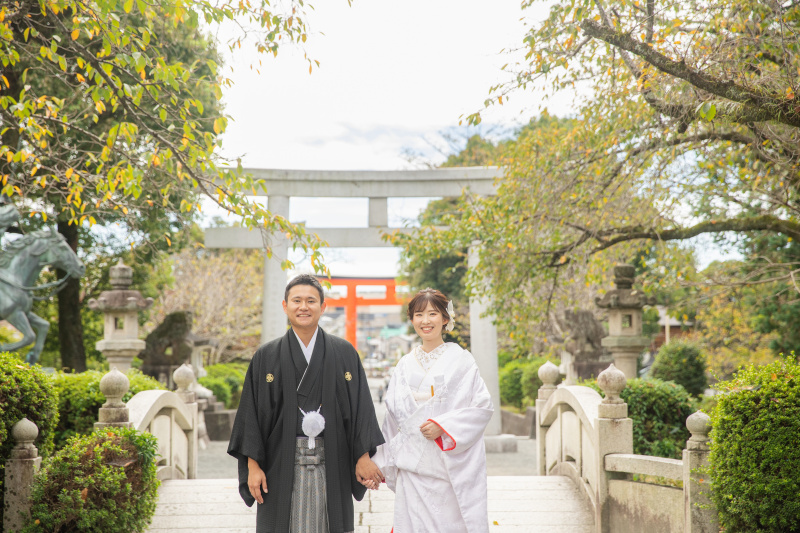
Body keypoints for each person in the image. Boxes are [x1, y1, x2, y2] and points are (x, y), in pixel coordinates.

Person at [228, 274, 385, 533]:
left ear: (323, 307)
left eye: (311, 301)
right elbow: (251, 415)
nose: (304, 307)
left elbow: (361, 409)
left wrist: (363, 455)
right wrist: (252, 466)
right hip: (280, 462)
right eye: (297, 300)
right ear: (285, 305)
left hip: (332, 459)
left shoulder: (344, 353)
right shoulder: (266, 356)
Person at [373, 288, 494, 533]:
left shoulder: (462, 360)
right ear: (412, 319)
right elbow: (392, 418)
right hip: (411, 470)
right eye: (419, 315)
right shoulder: (404, 364)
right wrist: (378, 463)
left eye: (432, 314)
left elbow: (481, 407)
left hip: (446, 468)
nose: (425, 321)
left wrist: (444, 426)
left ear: (445, 319)